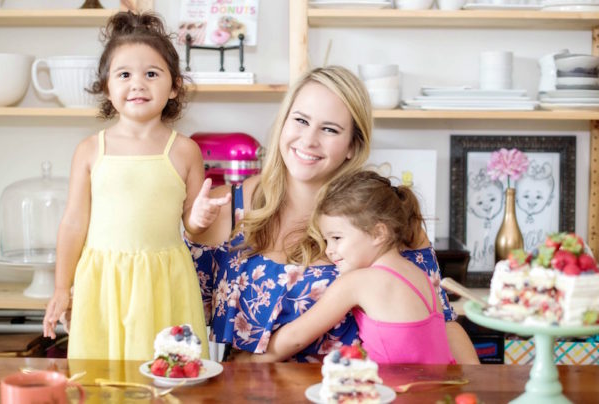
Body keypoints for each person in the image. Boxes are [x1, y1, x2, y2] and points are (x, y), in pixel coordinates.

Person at [187, 65, 479, 363]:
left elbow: (440, 322)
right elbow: (179, 315)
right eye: (300, 120)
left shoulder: (383, 213)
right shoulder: (222, 207)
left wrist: (478, 388)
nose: (309, 140)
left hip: (359, 392)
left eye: (329, 129)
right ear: (284, 122)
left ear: (353, 145)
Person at [42, 11, 209, 361]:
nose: (138, 84)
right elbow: (73, 223)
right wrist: (61, 287)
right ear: (107, 87)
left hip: (164, 281)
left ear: (174, 85)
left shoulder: (184, 150)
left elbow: (193, 228)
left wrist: (201, 217)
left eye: (151, 74)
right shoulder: (90, 150)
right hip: (101, 281)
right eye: (124, 75)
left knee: (167, 375)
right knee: (101, 376)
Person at [245, 170, 457, 363]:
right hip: (439, 391)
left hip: (396, 394)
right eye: (327, 240)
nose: (329, 250)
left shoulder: (358, 281)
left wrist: (247, 364)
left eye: (337, 238)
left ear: (378, 233)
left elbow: (295, 339)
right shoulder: (420, 275)